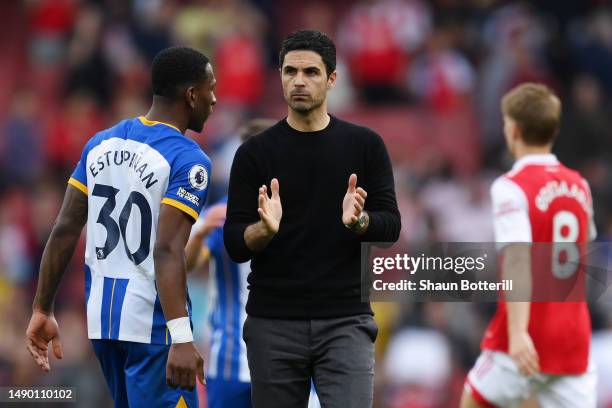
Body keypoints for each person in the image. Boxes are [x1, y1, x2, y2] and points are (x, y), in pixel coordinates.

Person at [25, 46, 217, 408]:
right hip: (154, 330)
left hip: (103, 324)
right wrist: (181, 335)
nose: (215, 99)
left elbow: (65, 227)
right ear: (192, 95)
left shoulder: (100, 143)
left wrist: (41, 308)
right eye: (211, 88)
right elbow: (167, 249)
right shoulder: (189, 159)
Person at [224, 29, 401, 407]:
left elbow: (390, 227)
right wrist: (263, 230)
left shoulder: (365, 145)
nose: (298, 81)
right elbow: (235, 243)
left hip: (345, 321)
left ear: (332, 79)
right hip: (273, 322)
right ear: (280, 77)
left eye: (310, 72)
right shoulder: (254, 154)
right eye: (290, 72)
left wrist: (360, 223)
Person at [461, 83, 597, 408]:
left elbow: (519, 258)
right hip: (572, 336)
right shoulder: (581, 185)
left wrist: (519, 332)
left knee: (473, 400)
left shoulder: (511, 187)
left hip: (526, 331)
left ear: (515, 130)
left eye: (506, 122)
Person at [185, 119, 275, 408]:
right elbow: (186, 265)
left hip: (287, 359)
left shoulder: (301, 213)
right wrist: (198, 234)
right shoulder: (221, 214)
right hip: (230, 361)